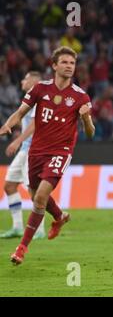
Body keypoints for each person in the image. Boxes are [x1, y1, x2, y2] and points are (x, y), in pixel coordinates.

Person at [0, 46, 95, 265]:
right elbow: (20, 113)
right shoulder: (39, 89)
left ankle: (21, 248)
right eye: (64, 62)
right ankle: (60, 217)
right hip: (36, 151)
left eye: (72, 63)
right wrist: (7, 126)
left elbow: (90, 133)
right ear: (54, 65)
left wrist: (86, 118)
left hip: (60, 151)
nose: (69, 66)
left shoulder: (80, 96)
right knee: (34, 196)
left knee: (40, 196)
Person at [1, 72, 46, 239]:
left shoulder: (40, 96)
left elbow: (35, 124)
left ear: (35, 80)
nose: (22, 81)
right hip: (24, 150)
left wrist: (17, 140)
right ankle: (18, 227)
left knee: (34, 191)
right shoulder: (29, 97)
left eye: (25, 78)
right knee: (9, 186)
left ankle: (40, 229)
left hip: (33, 150)